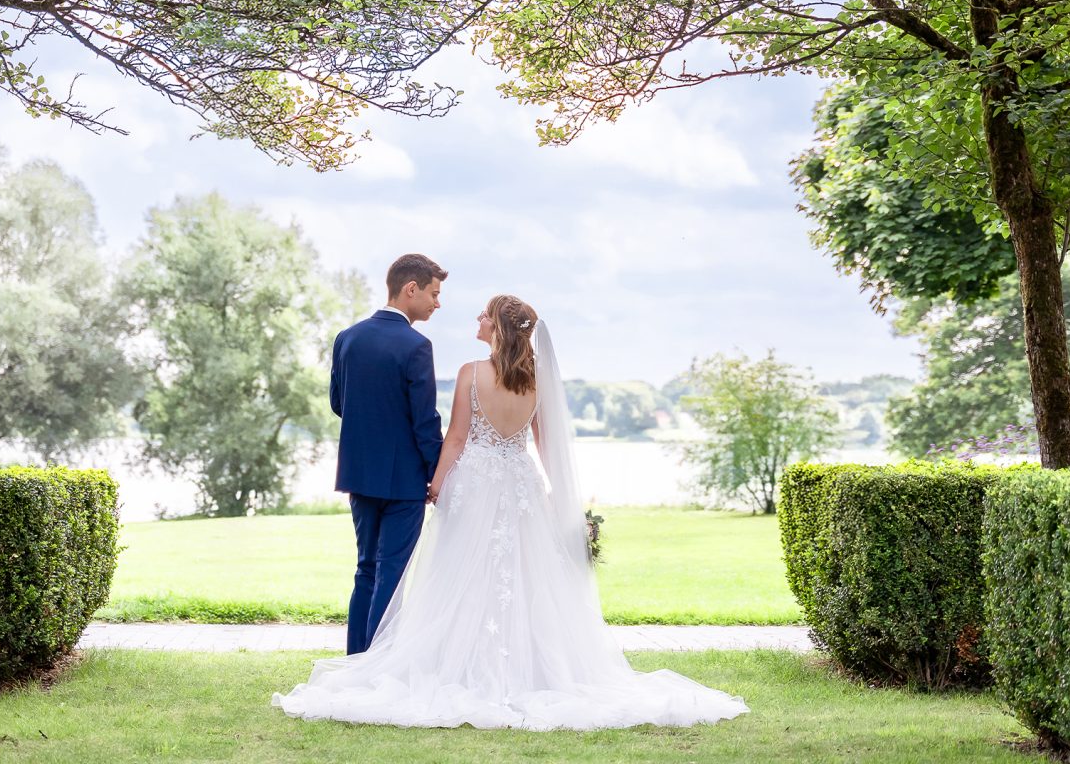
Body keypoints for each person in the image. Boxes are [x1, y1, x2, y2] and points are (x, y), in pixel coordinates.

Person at [274, 294, 749, 730]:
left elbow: (457, 438)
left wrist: (435, 485)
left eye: (483, 315)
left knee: (461, 575)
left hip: (475, 484)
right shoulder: (538, 380)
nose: (476, 320)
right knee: (523, 578)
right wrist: (564, 502)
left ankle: (449, 664)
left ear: (499, 327)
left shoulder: (470, 373)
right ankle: (526, 669)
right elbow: (546, 447)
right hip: (520, 483)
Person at [329, 254, 447, 655]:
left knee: (366, 569)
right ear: (410, 289)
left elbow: (337, 403)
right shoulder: (417, 345)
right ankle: (377, 667)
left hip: (359, 474)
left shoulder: (347, 337)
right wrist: (440, 473)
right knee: (392, 573)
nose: (437, 303)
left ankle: (354, 660)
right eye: (434, 293)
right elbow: (425, 421)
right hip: (404, 481)